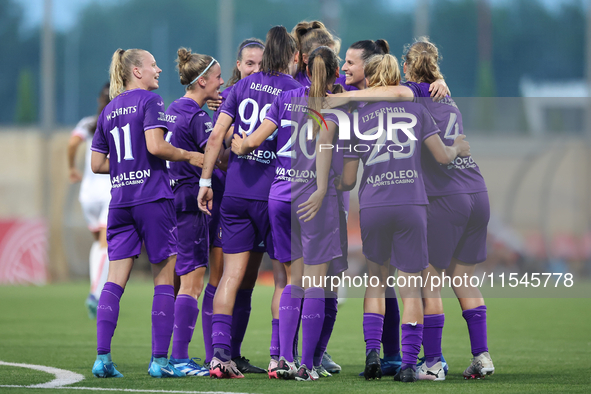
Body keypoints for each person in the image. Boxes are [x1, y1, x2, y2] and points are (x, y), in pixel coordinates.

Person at [336, 53, 470, 383]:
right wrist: (458, 149)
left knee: (376, 281)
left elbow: (349, 180)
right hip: (412, 203)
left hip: (374, 204)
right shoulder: (417, 109)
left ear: (371, 78)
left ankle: (372, 355)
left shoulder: (358, 116)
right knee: (411, 285)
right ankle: (410, 363)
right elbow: (441, 156)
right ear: (399, 76)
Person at [90, 48, 202, 379]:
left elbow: (97, 164)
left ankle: (103, 359)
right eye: (153, 65)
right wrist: (190, 156)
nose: (159, 71)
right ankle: (159, 361)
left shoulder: (108, 110)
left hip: (121, 201)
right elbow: (156, 146)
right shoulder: (150, 102)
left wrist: (126, 168)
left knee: (114, 281)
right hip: (153, 199)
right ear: (136, 71)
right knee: (165, 279)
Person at [232, 46, 342, 381]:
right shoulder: (332, 109)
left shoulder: (285, 98)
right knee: (315, 285)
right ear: (335, 74)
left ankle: (283, 359)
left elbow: (257, 138)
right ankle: (307, 366)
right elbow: (323, 151)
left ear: (306, 71)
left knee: (293, 283)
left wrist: (242, 145)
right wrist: (322, 189)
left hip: (279, 197)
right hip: (313, 199)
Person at [197, 25, 301, 379]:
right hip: (275, 194)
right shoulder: (295, 89)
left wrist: (206, 181)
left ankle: (220, 356)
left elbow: (215, 137)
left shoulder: (241, 86)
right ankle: (278, 357)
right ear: (290, 56)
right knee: (283, 279)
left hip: (237, 194)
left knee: (231, 276)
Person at [402, 37, 493, 381]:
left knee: (429, 283)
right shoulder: (448, 97)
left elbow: (390, 93)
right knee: (464, 279)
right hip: (477, 192)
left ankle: (433, 363)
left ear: (408, 67)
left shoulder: (410, 96)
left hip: (445, 198)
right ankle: (481, 356)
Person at [202, 38, 269, 375]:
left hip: (252, 197)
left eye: (260, 63)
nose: (254, 69)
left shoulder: (265, 91)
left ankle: (232, 353)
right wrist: (231, 140)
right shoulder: (231, 95)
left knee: (246, 280)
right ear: (238, 66)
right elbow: (221, 152)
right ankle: (213, 352)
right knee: (220, 277)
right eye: (249, 64)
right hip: (231, 197)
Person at [165, 47, 225, 377]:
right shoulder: (199, 117)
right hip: (192, 203)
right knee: (192, 285)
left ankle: (164, 357)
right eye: (217, 78)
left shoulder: (174, 108)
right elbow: (217, 156)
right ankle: (178, 360)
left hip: (171, 201)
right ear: (202, 81)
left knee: (173, 284)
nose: (221, 82)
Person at [67, 82, 111, 319]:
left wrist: (71, 168)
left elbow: (73, 142)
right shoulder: (116, 120)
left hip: (88, 194)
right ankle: (95, 293)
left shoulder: (88, 123)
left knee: (98, 242)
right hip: (109, 190)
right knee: (106, 245)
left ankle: (95, 289)